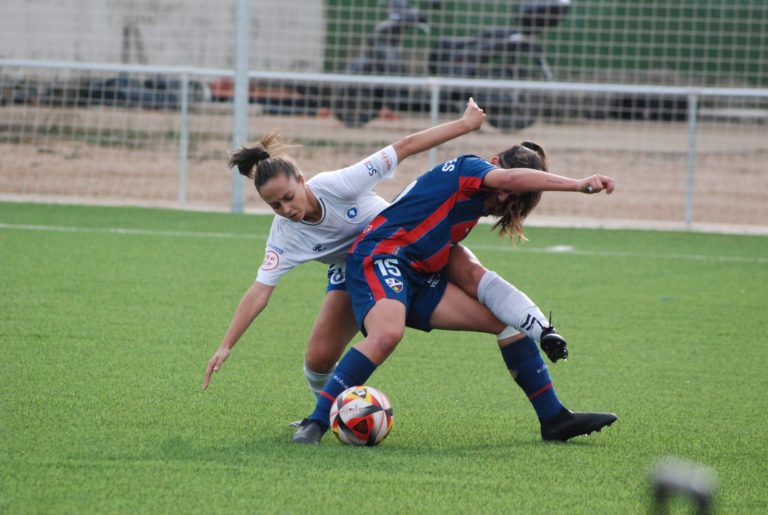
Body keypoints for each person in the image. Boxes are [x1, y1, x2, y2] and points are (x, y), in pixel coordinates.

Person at [203, 100, 567, 406]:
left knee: (477, 283)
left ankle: (549, 397)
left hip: (406, 244)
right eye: (274, 205)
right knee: (318, 361)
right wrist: (225, 346)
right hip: (354, 270)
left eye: (288, 197)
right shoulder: (284, 235)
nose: (285, 209)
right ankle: (333, 411)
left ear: (301, 179)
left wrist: (466, 124)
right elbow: (259, 292)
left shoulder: (339, 184)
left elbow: (405, 146)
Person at [292, 141, 618, 444]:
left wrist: (541, 329)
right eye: (505, 190)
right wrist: (577, 184)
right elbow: (512, 178)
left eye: (513, 200)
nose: (503, 199)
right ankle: (317, 422)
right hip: (381, 255)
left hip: (417, 276)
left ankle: (554, 418)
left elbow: (481, 280)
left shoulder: (466, 214)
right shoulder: (469, 168)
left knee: (506, 323)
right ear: (494, 165)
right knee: (387, 334)